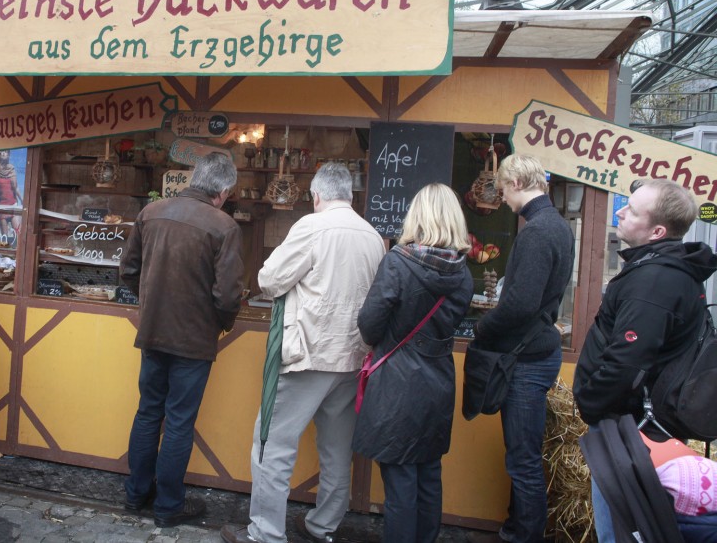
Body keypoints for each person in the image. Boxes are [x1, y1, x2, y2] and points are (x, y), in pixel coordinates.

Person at [220, 162, 385, 543]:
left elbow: (269, 279)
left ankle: (265, 533)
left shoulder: (312, 226)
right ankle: (322, 525)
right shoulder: (373, 236)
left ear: (316, 195)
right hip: (352, 357)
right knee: (336, 450)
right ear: (350, 195)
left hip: (308, 354)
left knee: (273, 445)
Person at [573, 178, 716, 543]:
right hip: (636, 425)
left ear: (657, 231)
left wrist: (590, 403)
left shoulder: (655, 280)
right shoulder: (664, 269)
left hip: (632, 431)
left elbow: (627, 362)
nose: (620, 212)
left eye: (632, 210)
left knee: (621, 534)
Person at [120, 152, 244, 528]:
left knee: (148, 412)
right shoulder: (224, 226)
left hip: (153, 331)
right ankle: (168, 506)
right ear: (223, 191)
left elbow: (128, 270)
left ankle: (135, 495)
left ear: (195, 178)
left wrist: (150, 302)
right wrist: (221, 324)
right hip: (193, 340)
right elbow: (228, 296)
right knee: (178, 422)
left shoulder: (152, 212)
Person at [353, 183, 473, 543]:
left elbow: (369, 324)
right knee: (429, 473)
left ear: (417, 216)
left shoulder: (398, 262)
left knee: (401, 482)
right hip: (438, 382)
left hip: (397, 384)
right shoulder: (463, 273)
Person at [467, 154, 574, 543]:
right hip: (538, 351)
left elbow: (520, 304)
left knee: (523, 458)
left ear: (514, 184)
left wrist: (484, 327)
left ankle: (523, 535)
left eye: (502, 190)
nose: (503, 199)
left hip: (528, 360)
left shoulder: (537, 231)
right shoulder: (557, 226)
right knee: (524, 454)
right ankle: (517, 528)